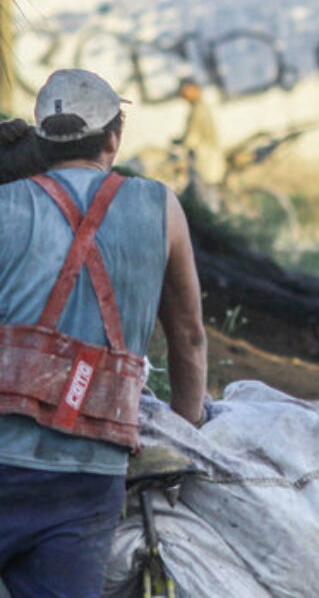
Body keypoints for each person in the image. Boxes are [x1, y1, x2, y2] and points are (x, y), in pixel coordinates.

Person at [0, 69, 208, 598]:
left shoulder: (5, 207)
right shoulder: (161, 208)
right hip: (86, 478)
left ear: (41, 141)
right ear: (113, 139)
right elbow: (188, 338)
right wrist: (186, 435)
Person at [173, 77, 224, 207]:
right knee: (207, 193)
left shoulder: (199, 109)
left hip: (204, 157)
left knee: (205, 196)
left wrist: (181, 142)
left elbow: (192, 137)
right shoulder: (199, 107)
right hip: (207, 156)